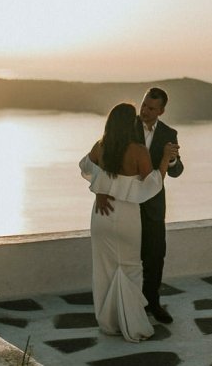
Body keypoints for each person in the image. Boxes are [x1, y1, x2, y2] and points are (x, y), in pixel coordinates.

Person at [79, 102, 178, 342]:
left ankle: (110, 322)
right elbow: (152, 184)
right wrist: (165, 158)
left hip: (101, 215)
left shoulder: (100, 146)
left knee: (105, 270)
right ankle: (131, 324)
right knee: (130, 268)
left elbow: (85, 166)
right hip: (126, 216)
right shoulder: (138, 151)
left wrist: (100, 190)